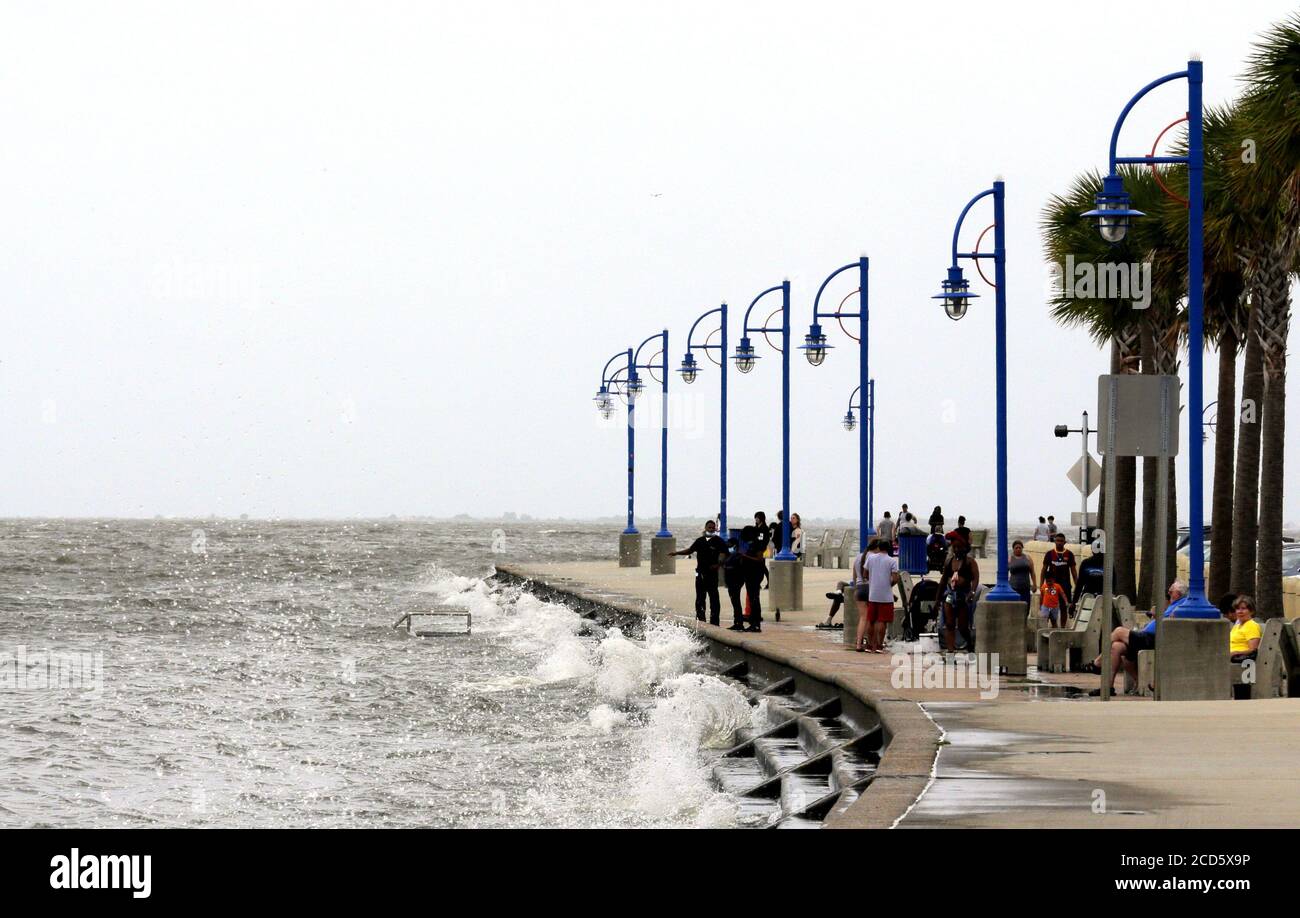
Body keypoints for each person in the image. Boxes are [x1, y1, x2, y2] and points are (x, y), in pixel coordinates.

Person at [1083, 580, 1186, 695]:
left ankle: (1097, 663)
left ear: (1179, 593)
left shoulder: (1182, 604)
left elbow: (1170, 622)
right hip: (1146, 636)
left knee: (1118, 631)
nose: (1169, 591)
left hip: (1152, 638)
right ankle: (1107, 688)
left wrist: (1158, 615)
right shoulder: (1172, 604)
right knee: (1116, 647)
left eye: (1172, 589)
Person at [670, 520, 726, 625]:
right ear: (705, 528)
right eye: (709, 527)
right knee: (700, 598)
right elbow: (690, 550)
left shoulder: (719, 541)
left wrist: (718, 564)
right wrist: (676, 553)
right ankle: (700, 620)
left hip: (712, 574)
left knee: (714, 598)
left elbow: (724, 554)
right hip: (700, 573)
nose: (711, 529)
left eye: (713, 528)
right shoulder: (700, 541)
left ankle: (714, 622)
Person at [856, 539, 900, 653]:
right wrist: (889, 584)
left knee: (871, 620)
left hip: (873, 594)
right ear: (889, 548)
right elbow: (895, 578)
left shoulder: (870, 558)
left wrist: (874, 580)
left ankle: (870, 645)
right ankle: (879, 645)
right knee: (882, 621)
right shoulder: (892, 561)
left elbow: (865, 574)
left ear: (879, 547)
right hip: (885, 595)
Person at [935, 542, 979, 653]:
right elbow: (943, 580)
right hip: (950, 595)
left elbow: (975, 578)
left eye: (959, 546)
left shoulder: (970, 562)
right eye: (954, 547)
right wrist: (938, 599)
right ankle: (950, 652)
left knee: (962, 627)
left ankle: (969, 644)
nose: (956, 549)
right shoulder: (949, 561)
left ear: (965, 548)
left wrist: (972, 592)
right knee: (949, 624)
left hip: (963, 596)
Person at [1041, 533, 1079, 620]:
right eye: (1057, 540)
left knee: (1064, 608)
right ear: (1054, 541)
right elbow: (1044, 570)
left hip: (1065, 585)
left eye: (1061, 541)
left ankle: (1062, 628)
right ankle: (1051, 627)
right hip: (1051, 585)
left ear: (1064, 542)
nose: (1059, 543)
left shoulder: (1069, 554)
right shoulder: (1049, 554)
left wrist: (1077, 585)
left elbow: (1073, 571)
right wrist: (1041, 584)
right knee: (1049, 607)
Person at [723, 533, 749, 631]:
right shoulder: (731, 556)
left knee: (736, 602)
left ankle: (738, 622)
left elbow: (738, 569)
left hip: (735, 582)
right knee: (735, 602)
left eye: (729, 544)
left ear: (733, 545)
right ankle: (737, 621)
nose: (727, 546)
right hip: (731, 582)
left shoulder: (738, 556)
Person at [1230, 595, 1262, 663]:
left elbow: (1253, 651)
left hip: (1239, 662)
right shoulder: (1236, 626)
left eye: (1243, 608)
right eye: (1238, 609)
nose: (1240, 611)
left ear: (1251, 611)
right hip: (1228, 659)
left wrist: (1236, 653)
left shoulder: (1251, 625)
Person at [1008, 539, 1037, 607]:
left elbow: (1032, 572)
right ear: (1013, 549)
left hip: (1026, 588)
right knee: (1015, 607)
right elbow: (1004, 573)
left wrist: (1034, 584)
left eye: (1020, 548)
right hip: (1013, 588)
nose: (1018, 549)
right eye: (1016, 548)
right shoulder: (1009, 558)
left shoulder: (1028, 558)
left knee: (1026, 607)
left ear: (1022, 548)